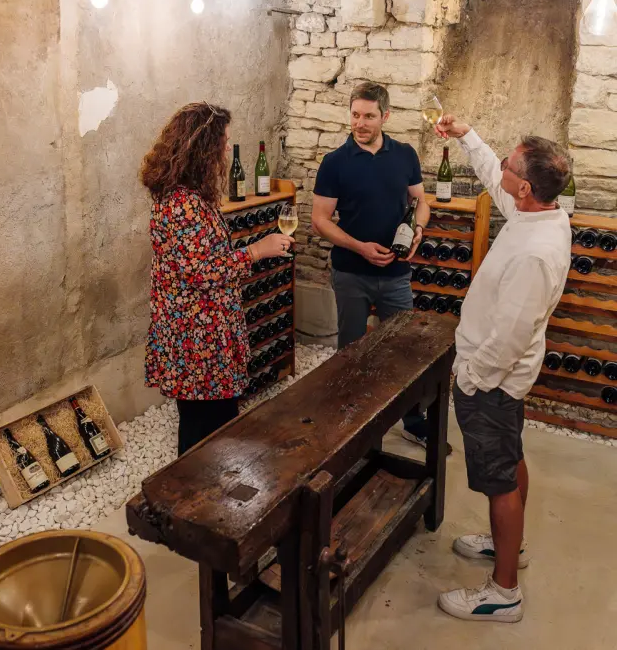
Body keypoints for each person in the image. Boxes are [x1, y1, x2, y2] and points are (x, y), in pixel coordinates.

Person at [434, 115, 571, 623]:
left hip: (491, 381)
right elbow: (494, 172)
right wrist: (468, 135)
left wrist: (471, 378)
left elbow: (511, 334)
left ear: (527, 186)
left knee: (498, 481)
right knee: (511, 458)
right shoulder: (538, 214)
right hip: (502, 382)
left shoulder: (536, 252)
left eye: (513, 165)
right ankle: (507, 545)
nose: (504, 171)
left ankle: (503, 592)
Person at [140, 103, 294, 456]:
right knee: (205, 430)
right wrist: (258, 250)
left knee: (212, 423)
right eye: (223, 141)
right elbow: (201, 271)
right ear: (203, 148)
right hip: (198, 341)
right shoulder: (183, 203)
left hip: (201, 333)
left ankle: (203, 496)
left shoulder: (187, 196)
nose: (228, 148)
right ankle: (188, 500)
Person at [312, 81, 433, 445]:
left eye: (368, 116)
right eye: (355, 115)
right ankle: (348, 424)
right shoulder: (334, 163)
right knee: (350, 350)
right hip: (351, 272)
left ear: (385, 116)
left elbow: (421, 201)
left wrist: (419, 230)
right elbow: (319, 220)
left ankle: (412, 421)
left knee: (404, 348)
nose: (360, 123)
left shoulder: (405, 155)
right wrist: (360, 247)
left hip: (396, 273)